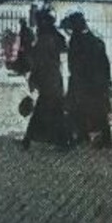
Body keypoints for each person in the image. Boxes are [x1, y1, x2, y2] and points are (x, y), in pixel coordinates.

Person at [22, 11, 71, 149]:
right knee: (53, 109)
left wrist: (34, 78)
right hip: (53, 77)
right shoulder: (54, 37)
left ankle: (32, 137)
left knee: (45, 109)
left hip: (47, 77)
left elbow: (36, 60)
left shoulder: (43, 39)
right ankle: (60, 140)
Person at [64, 11, 112, 147]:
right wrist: (107, 81)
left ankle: (82, 135)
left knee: (79, 109)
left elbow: (73, 64)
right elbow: (105, 64)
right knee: (99, 110)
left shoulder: (76, 41)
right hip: (97, 82)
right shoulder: (96, 41)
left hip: (82, 82)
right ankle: (105, 138)